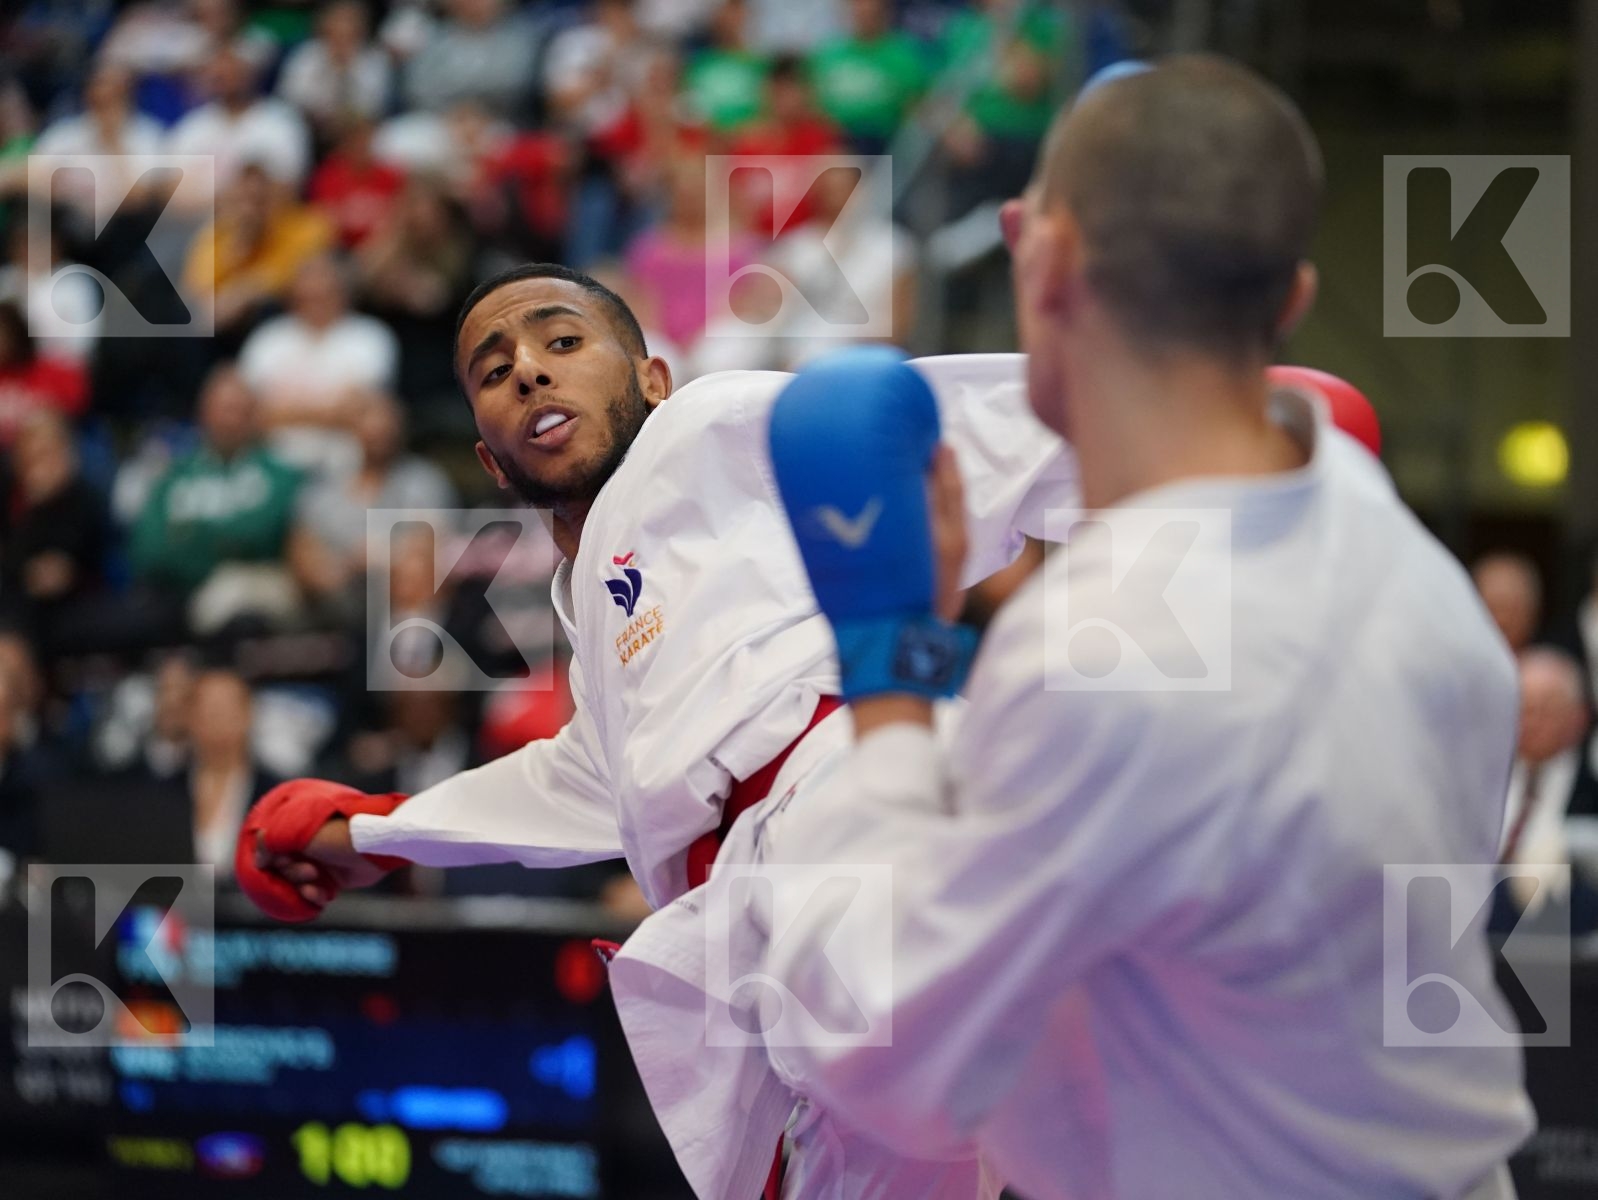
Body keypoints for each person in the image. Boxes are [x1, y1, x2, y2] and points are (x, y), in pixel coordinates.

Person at [753, 56, 1532, 1200]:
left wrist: (889, 658)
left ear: (1042, 252)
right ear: (1290, 299)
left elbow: (884, 1056)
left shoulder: (1101, 657)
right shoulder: (1421, 578)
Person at [234, 260, 1078, 1199]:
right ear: (486, 455)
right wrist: (374, 836)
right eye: (493, 369)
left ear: (652, 381)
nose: (528, 372)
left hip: (839, 798)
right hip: (753, 921)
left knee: (961, 1059)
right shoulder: (595, 607)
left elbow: (949, 423)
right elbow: (581, 783)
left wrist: (1213, 434)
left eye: (562, 341)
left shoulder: (703, 429)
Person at [237, 253, 399, 478]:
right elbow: (248, 413)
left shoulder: (369, 337)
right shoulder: (268, 340)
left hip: (344, 468)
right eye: (308, 296)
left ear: (343, 294)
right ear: (293, 297)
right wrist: (329, 411)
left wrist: (283, 411)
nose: (316, 303)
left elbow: (361, 411)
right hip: (271, 470)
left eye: (325, 295)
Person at [1497, 647, 1598, 932]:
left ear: (1580, 715)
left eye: (1548, 708)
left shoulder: (1592, 784)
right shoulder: (1480, 783)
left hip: (1571, 943)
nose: (1535, 721)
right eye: (1526, 709)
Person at [1473, 550, 1543, 656]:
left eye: (1512, 610)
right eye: (1492, 609)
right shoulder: (1455, 666)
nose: (1502, 620)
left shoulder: (1548, 669)